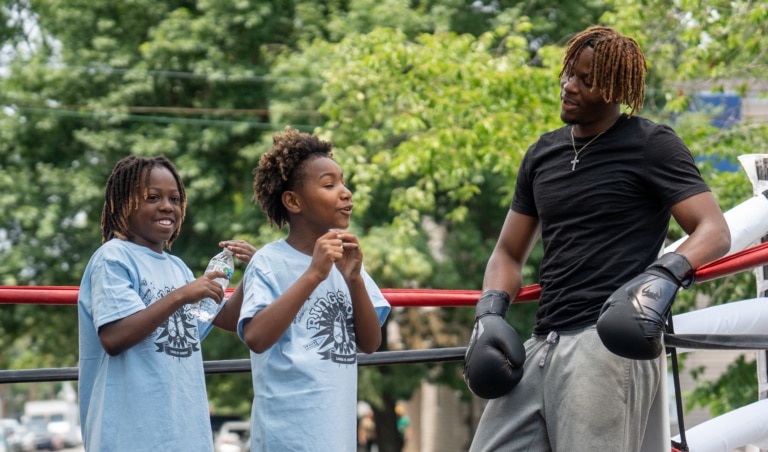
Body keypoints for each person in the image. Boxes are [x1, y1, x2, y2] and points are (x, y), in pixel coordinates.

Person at [464, 27, 731, 451]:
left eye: (586, 81)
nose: (569, 86)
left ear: (616, 89)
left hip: (604, 346)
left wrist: (662, 276)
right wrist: (490, 312)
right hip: (542, 341)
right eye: (569, 73)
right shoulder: (542, 154)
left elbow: (713, 230)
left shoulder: (651, 145)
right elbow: (508, 253)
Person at [77, 155, 250, 451]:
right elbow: (114, 337)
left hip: (185, 434)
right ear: (121, 205)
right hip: (131, 436)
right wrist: (183, 294)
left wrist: (255, 272)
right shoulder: (113, 258)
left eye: (175, 198)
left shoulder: (179, 268)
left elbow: (228, 320)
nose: (167, 206)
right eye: (152, 197)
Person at [238, 127, 391, 451]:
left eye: (343, 181)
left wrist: (354, 279)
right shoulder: (269, 261)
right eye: (329, 185)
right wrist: (314, 274)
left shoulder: (347, 258)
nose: (345, 192)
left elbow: (370, 343)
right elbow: (255, 337)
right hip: (286, 437)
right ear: (293, 201)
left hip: (336, 436)